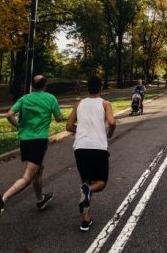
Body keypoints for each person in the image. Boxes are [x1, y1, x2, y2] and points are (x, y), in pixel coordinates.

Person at [0, 75, 64, 226]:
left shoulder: (24, 99)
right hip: (38, 141)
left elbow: (9, 114)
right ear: (46, 85)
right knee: (27, 176)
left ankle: (40, 200)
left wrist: (18, 126)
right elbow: (59, 119)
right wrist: (60, 116)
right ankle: (2, 199)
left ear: (32, 85)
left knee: (39, 169)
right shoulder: (50, 98)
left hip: (25, 140)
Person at [66, 75, 116, 232]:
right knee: (100, 182)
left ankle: (85, 220)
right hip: (98, 147)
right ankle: (90, 192)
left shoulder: (78, 104)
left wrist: (81, 130)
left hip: (80, 147)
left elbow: (68, 126)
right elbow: (112, 122)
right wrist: (110, 133)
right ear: (101, 88)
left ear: (87, 88)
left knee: (85, 182)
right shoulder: (105, 104)